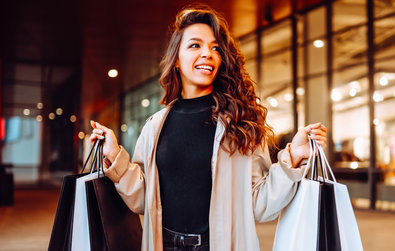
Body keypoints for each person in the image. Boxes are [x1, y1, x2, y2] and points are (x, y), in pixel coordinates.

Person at [90, 4, 327, 251]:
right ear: (177, 60)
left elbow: (258, 203)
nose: (208, 53)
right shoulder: (155, 126)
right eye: (195, 45)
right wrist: (114, 156)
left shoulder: (239, 124)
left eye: (215, 48)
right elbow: (142, 199)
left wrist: (293, 158)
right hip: (164, 245)